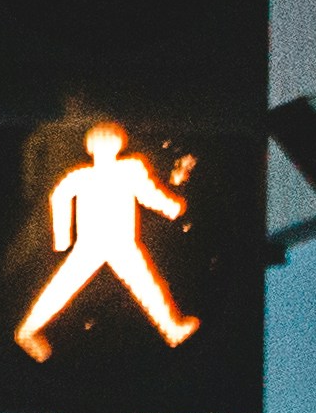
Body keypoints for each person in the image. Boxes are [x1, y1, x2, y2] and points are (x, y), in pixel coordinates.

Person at [14, 122, 199, 358]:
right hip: (111, 243)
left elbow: (59, 197)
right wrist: (172, 208)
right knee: (143, 286)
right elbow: (149, 195)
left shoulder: (92, 174)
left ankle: (172, 329)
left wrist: (62, 239)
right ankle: (172, 330)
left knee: (140, 286)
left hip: (104, 243)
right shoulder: (123, 170)